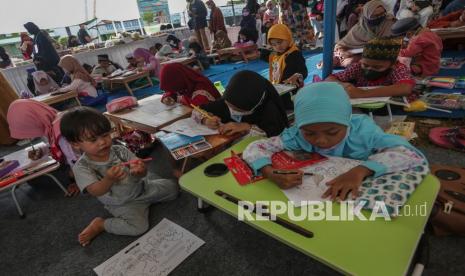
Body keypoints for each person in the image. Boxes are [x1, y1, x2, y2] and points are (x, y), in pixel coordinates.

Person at [242, 82, 427, 200]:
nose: (321, 140)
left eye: (332, 132)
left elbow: (409, 154)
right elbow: (255, 147)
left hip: (355, 195)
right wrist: (269, 172)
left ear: (346, 122)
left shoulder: (364, 132)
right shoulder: (297, 135)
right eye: (310, 133)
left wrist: (360, 171)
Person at [60, 107, 178, 246]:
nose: (102, 142)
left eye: (104, 135)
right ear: (75, 144)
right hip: (122, 203)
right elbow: (95, 191)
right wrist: (109, 179)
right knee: (138, 228)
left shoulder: (119, 150)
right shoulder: (82, 167)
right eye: (93, 140)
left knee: (174, 189)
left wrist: (140, 170)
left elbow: (141, 169)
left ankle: (151, 188)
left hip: (142, 188)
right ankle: (101, 224)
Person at [7, 99, 80, 195]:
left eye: (27, 130)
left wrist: (77, 181)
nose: (29, 137)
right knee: (34, 177)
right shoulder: (55, 121)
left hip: (83, 167)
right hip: (77, 162)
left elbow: (76, 160)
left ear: (33, 121)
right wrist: (43, 150)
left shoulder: (61, 133)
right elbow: (59, 147)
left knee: (34, 180)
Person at [192, 70, 289, 137]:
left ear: (254, 106)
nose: (232, 111)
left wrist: (248, 127)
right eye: (229, 105)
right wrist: (205, 119)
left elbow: (277, 133)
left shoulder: (269, 110)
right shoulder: (228, 101)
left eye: (238, 110)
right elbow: (197, 110)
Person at [326, 37, 415, 98]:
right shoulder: (358, 67)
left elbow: (405, 88)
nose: (369, 69)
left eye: (377, 67)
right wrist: (343, 86)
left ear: (392, 64)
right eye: (366, 65)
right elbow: (330, 78)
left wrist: (363, 94)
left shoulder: (398, 68)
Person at [333, 0, 396, 67]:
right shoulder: (360, 27)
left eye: (382, 14)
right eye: (376, 15)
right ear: (366, 16)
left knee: (350, 62)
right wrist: (343, 51)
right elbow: (342, 44)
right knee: (335, 58)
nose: (379, 17)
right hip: (360, 53)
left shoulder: (389, 23)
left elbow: (390, 47)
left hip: (380, 55)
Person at [265, 24, 307, 108]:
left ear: (287, 38)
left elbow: (303, 71)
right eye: (274, 45)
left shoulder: (295, 54)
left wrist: (297, 75)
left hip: (292, 91)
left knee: (272, 103)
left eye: (279, 42)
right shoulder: (276, 55)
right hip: (280, 88)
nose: (277, 46)